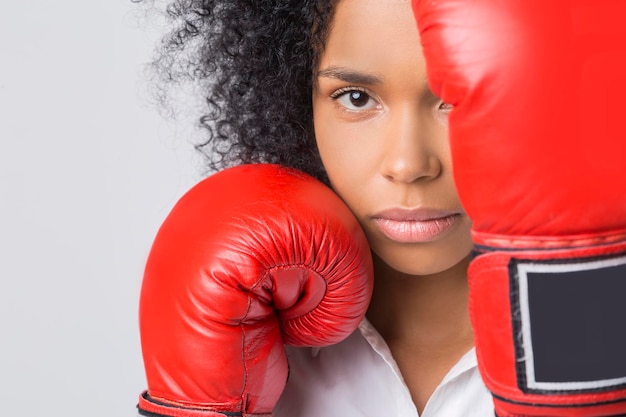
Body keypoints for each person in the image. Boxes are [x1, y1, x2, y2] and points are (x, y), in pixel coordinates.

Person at [138, 0, 492, 416]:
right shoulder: (244, 326)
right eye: (357, 98)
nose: (408, 164)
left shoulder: (585, 334)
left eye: (459, 97)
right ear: (297, 100)